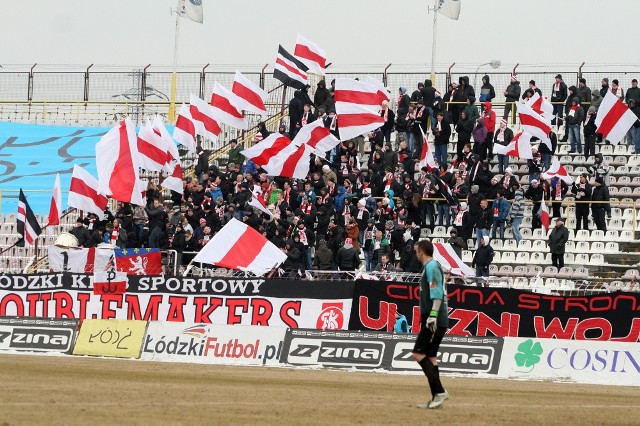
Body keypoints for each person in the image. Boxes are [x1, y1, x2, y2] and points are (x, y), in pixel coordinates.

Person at [411, 240, 449, 410]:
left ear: (421, 251)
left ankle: (439, 391)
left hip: (434, 318)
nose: (415, 254)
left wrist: (433, 315)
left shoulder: (432, 267)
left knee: (418, 353)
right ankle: (437, 396)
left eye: (416, 251)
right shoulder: (431, 267)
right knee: (431, 357)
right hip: (435, 318)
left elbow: (437, 293)